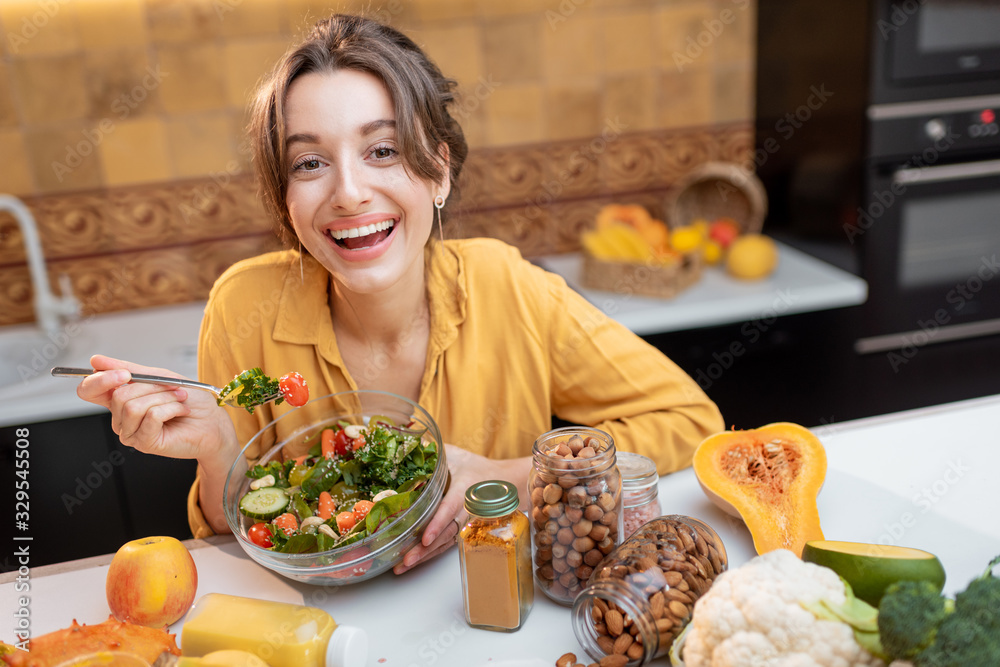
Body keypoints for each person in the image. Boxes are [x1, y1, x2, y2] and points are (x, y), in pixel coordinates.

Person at [77, 14, 724, 574]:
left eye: (382, 150)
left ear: (439, 171)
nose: (350, 191)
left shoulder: (510, 288)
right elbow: (233, 534)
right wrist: (217, 447)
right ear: (285, 200)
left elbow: (691, 424)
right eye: (309, 162)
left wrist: (515, 476)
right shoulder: (245, 308)